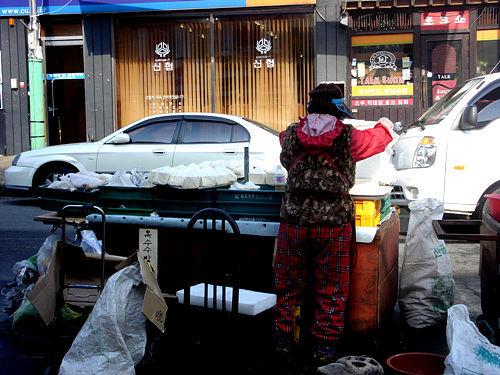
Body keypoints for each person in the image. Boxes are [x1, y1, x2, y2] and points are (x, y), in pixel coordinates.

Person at [273, 83, 394, 365]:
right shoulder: (349, 137)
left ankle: (284, 341)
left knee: (288, 284)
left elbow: (283, 144)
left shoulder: (290, 134)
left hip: (294, 221)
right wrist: (385, 125)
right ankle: (324, 347)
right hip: (333, 225)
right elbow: (378, 139)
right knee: (332, 286)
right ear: (339, 108)